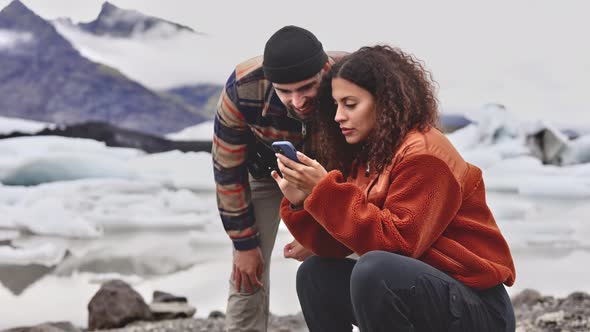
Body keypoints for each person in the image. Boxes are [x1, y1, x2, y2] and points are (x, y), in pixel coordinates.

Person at [272, 45, 516, 331]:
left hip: (478, 308)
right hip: (427, 294)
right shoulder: (370, 156)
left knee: (375, 270)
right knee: (315, 273)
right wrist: (304, 202)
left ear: (384, 103)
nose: (338, 116)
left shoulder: (425, 155)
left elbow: (397, 245)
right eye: (336, 105)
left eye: (350, 104)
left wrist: (325, 192)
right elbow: (339, 245)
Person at [212, 26, 346, 331]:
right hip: (267, 171)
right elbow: (227, 168)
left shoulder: (352, 76)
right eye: (285, 91)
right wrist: (244, 244)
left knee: (360, 242)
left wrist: (324, 236)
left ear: (324, 71)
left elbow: (374, 163)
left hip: (336, 173)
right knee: (247, 267)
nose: (297, 101)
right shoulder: (242, 87)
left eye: (307, 88)